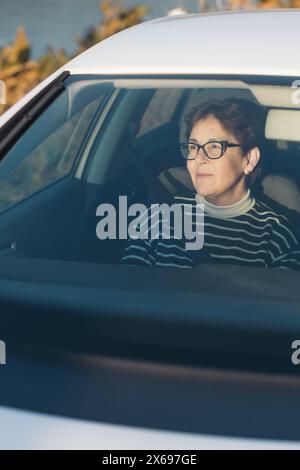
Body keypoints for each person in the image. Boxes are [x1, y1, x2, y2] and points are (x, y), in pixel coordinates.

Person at [121, 98, 300, 270]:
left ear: (249, 159)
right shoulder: (158, 218)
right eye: (193, 147)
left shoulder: (277, 235)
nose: (199, 158)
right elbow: (128, 292)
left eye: (214, 147)